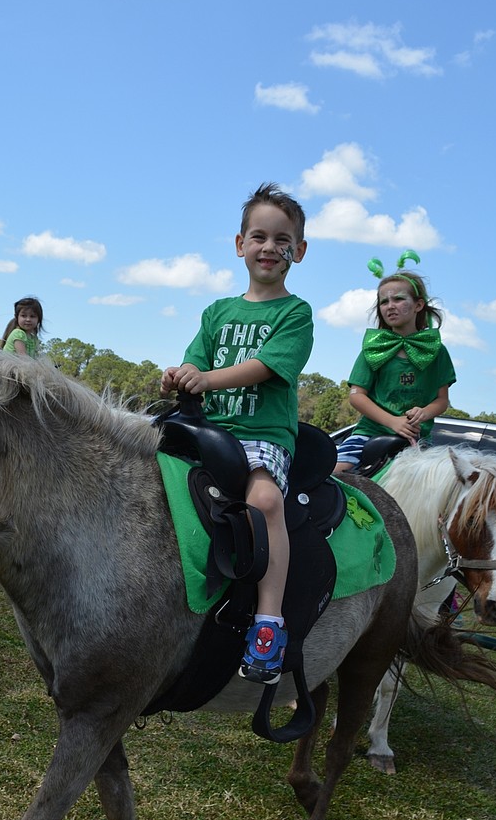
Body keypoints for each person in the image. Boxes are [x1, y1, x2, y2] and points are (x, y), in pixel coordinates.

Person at [161, 182, 313, 685]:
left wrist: (207, 379)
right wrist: (181, 374)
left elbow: (265, 367)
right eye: (259, 236)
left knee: (266, 501)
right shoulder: (216, 312)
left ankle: (269, 623)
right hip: (210, 429)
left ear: (300, 250)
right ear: (239, 244)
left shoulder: (295, 313)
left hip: (260, 433)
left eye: (282, 239)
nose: (269, 247)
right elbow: (196, 358)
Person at [333, 252, 456, 475]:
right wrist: (392, 421)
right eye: (384, 301)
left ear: (418, 305)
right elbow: (356, 395)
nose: (390, 306)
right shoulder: (375, 347)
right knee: (333, 474)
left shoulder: (437, 352)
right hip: (369, 433)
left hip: (416, 441)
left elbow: (442, 400)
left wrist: (424, 412)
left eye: (399, 299)